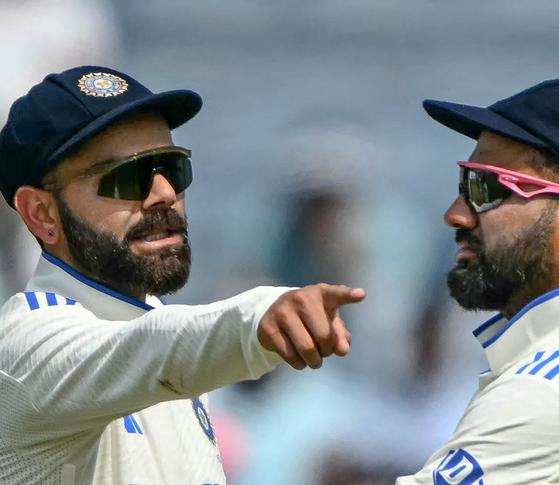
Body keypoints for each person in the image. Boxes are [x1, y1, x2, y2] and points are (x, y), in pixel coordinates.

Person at [0, 65, 365, 485]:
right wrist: (259, 316)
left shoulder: (156, 327)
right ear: (42, 213)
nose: (164, 195)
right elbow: (157, 345)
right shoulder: (28, 345)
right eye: (127, 177)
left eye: (171, 168)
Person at [397, 78, 559, 484]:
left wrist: (254, 332)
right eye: (464, 184)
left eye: (486, 187)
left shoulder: (557, 391)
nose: (456, 213)